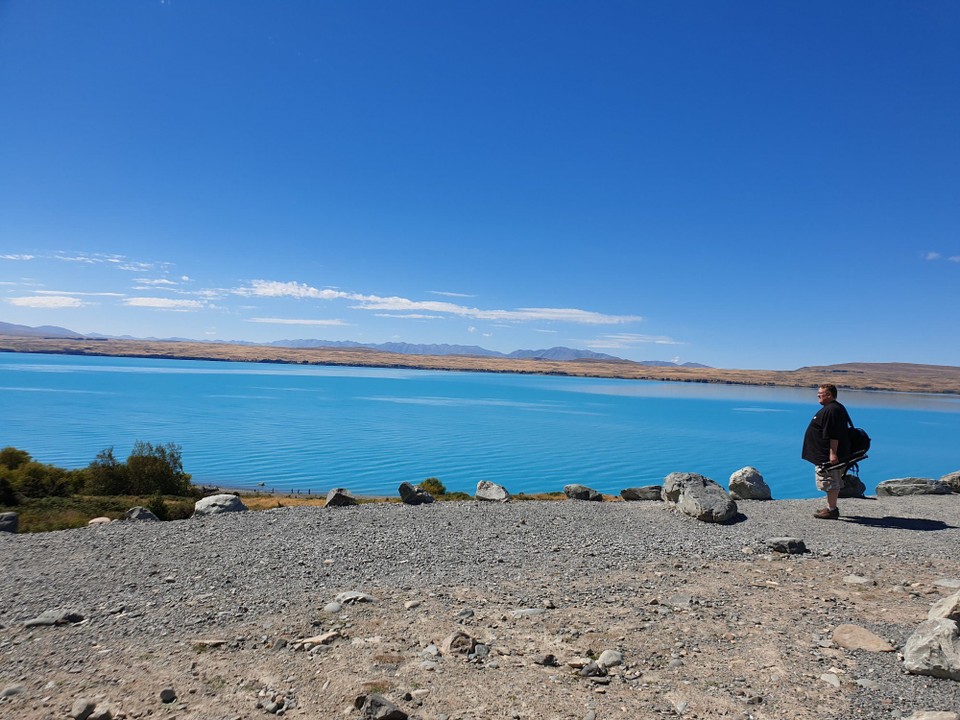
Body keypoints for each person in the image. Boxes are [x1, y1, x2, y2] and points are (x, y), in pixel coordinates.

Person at [801, 383, 852, 519]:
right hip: (824, 453)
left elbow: (833, 434)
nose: (818, 395)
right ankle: (830, 507)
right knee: (830, 480)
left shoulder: (832, 410)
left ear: (829, 395)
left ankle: (832, 510)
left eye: (821, 393)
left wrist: (832, 453)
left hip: (827, 455)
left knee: (830, 480)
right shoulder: (833, 408)